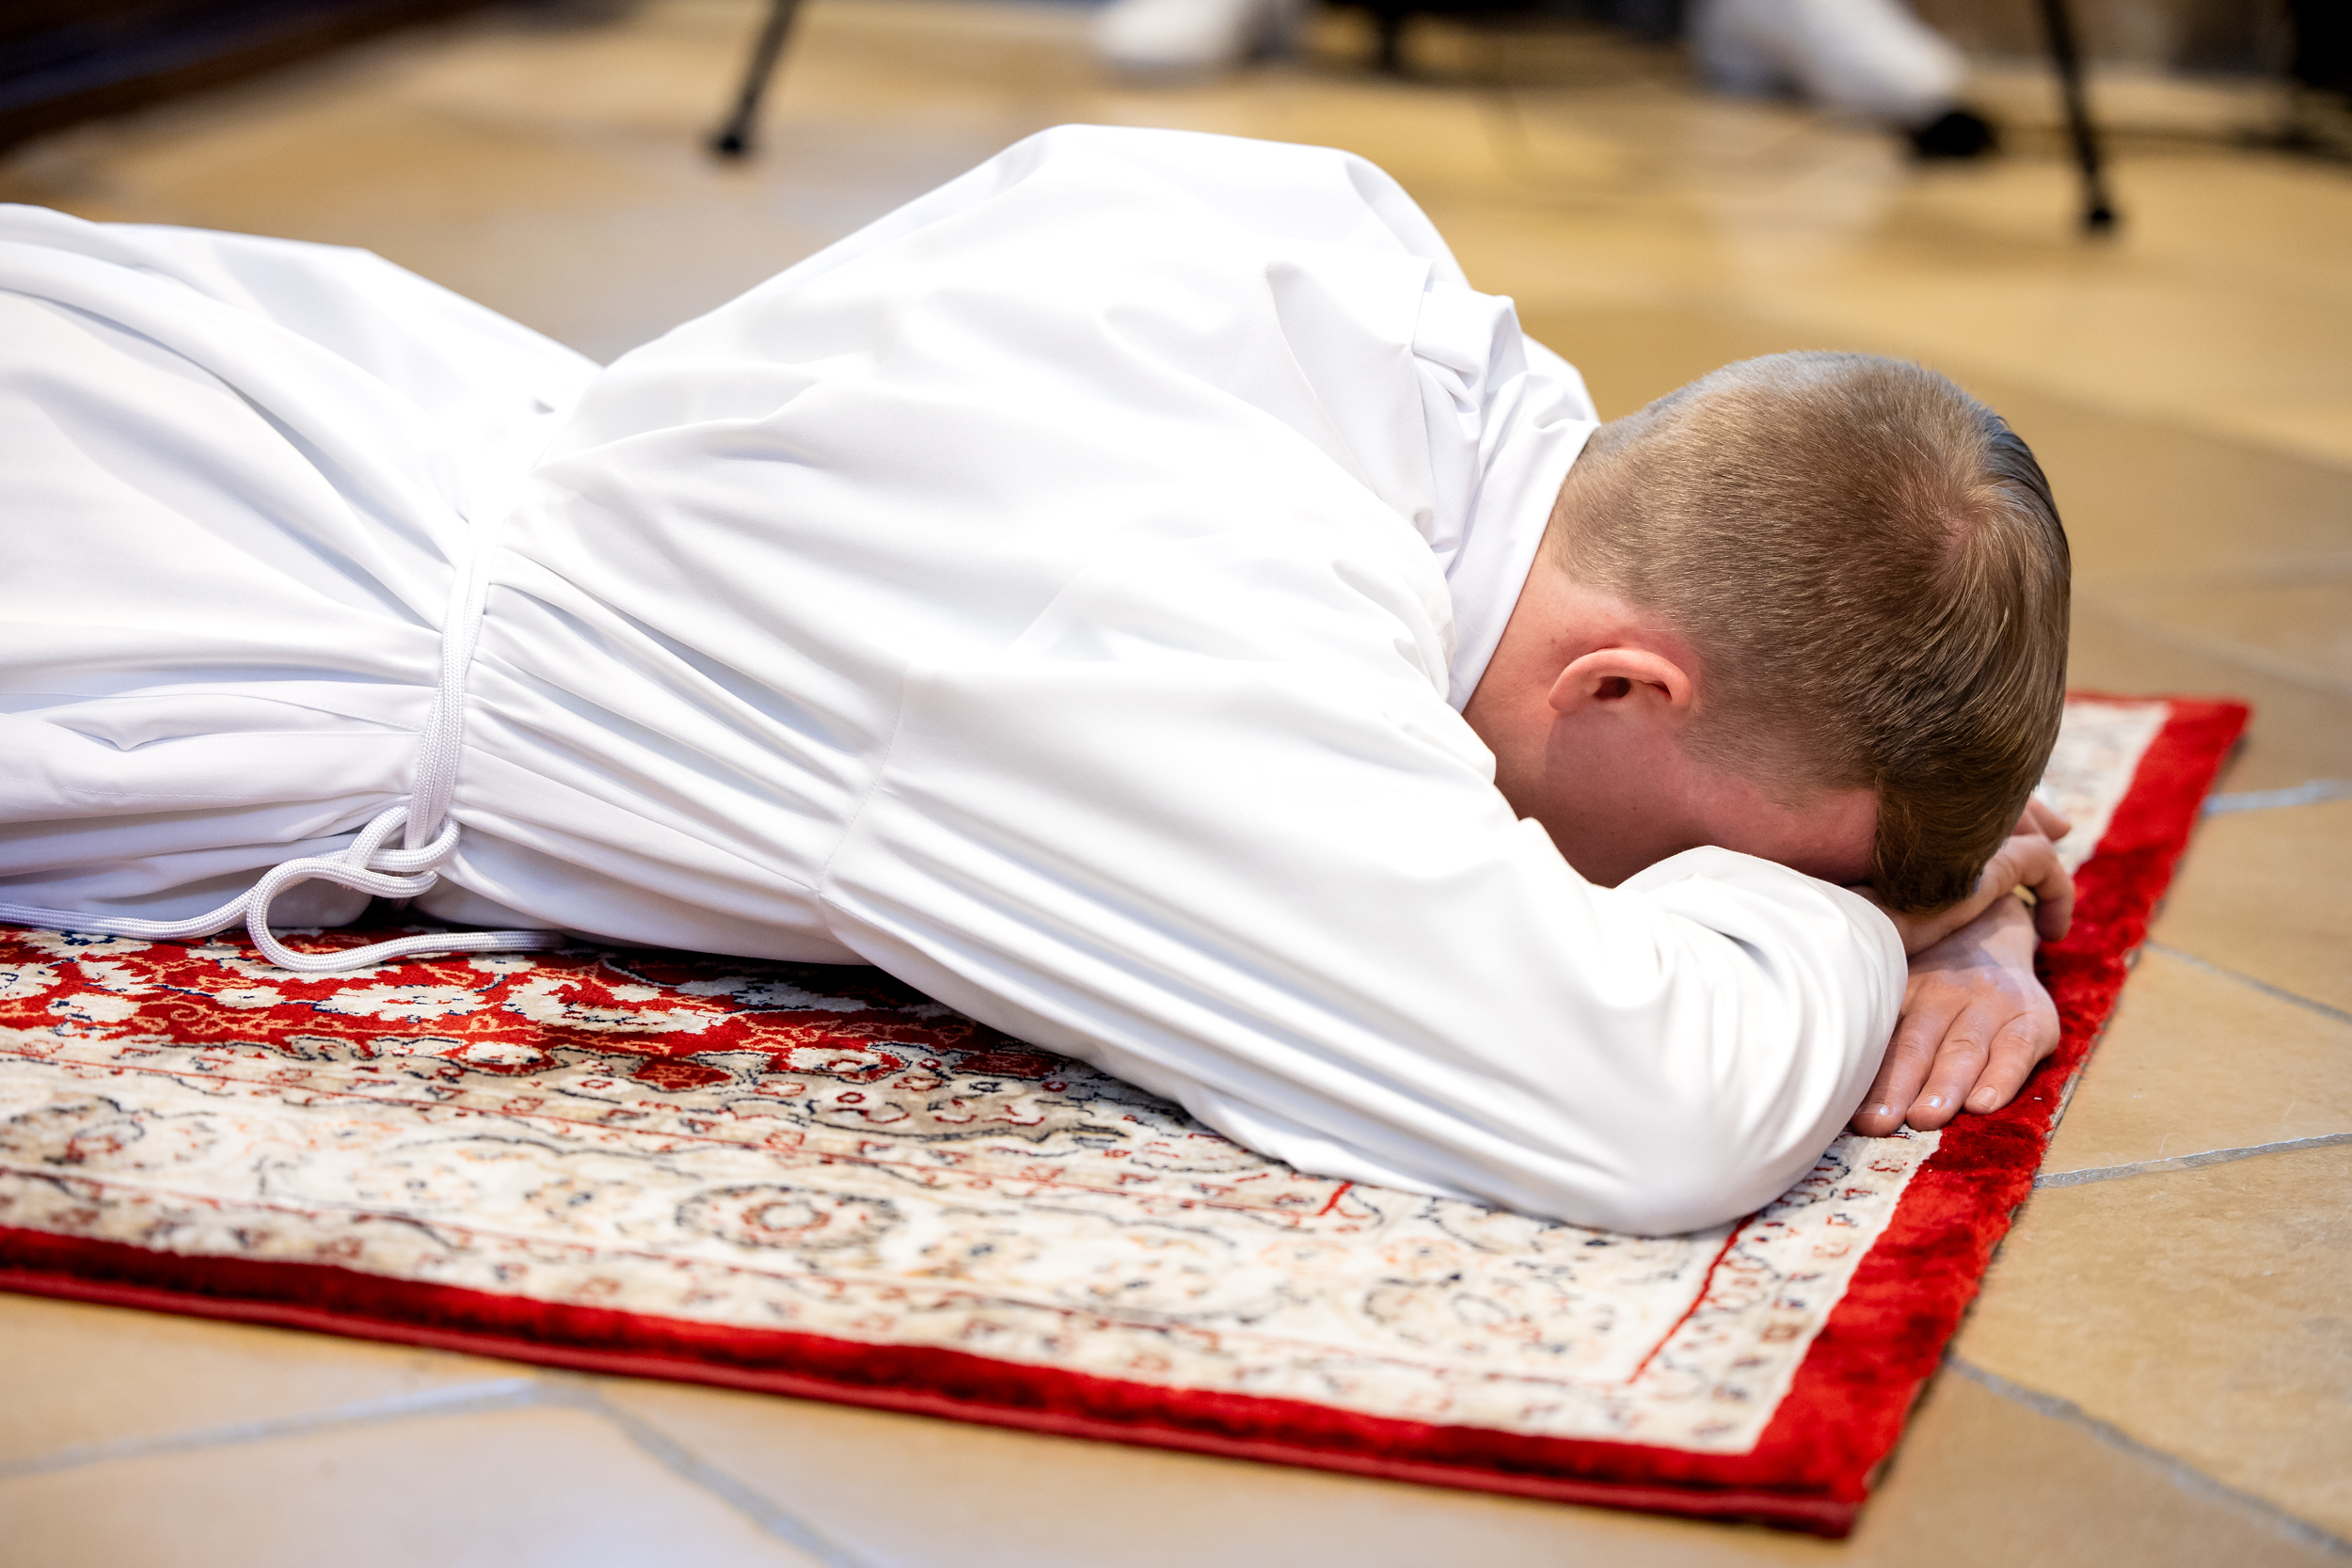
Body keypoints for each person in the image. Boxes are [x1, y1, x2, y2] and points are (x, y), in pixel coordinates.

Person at [0, 124, 2070, 1236]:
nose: (1685, 893)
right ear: (1620, 689)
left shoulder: (1352, 274)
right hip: (141, 601)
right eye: (1739, 857)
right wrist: (1858, 929)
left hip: (274, 378)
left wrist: (1936, 886)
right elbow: (1641, 1111)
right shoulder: (1166, 621)